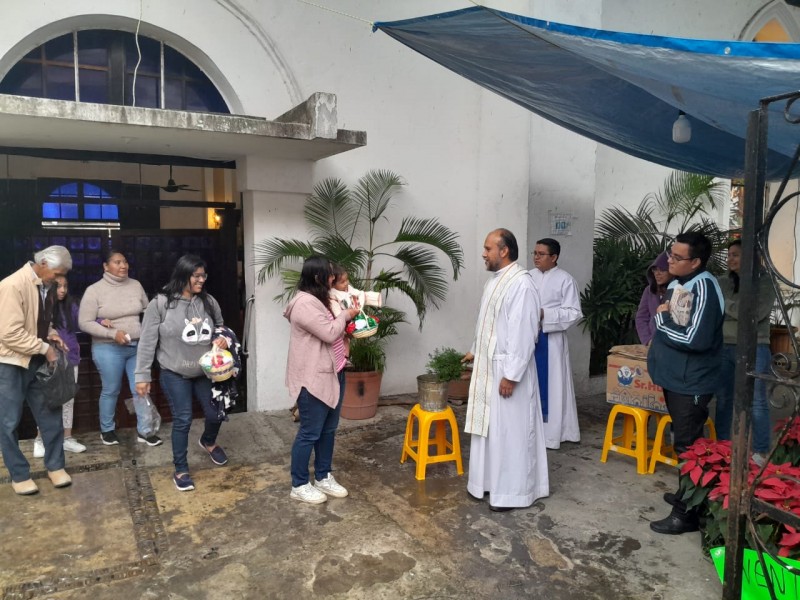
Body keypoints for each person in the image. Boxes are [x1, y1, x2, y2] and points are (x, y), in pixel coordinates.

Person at [463, 229, 549, 512]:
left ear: (504, 251)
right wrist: (475, 349)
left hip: (508, 370)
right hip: (489, 365)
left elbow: (524, 333)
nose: (483, 253)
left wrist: (511, 375)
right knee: (490, 430)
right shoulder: (495, 281)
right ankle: (487, 483)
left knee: (510, 433)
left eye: (488, 248)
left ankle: (513, 492)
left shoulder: (521, 285)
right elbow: (486, 322)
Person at [647, 232, 724, 535]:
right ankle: (686, 494)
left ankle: (686, 514)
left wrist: (662, 322)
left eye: (678, 258)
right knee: (682, 441)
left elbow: (696, 338)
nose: (669, 260)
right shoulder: (681, 283)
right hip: (675, 378)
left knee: (689, 446)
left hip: (691, 381)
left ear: (696, 261)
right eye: (670, 253)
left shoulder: (704, 286)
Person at [135, 255, 229, 492]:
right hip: (173, 371)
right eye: (196, 276)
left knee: (216, 413)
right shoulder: (161, 303)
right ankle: (181, 469)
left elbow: (221, 327)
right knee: (183, 418)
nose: (201, 280)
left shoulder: (208, 302)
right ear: (182, 275)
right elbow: (147, 341)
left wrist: (223, 339)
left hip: (205, 371)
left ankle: (207, 441)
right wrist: (142, 375)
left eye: (203, 276)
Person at [284, 256, 359, 504]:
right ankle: (299, 483)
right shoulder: (304, 304)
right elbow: (328, 333)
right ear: (317, 277)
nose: (334, 278)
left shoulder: (322, 299)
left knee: (328, 430)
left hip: (334, 371)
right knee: (310, 432)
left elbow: (336, 330)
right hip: (313, 377)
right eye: (329, 275)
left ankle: (324, 476)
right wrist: (346, 316)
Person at [0, 245, 73, 495]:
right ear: (42, 263)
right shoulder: (12, 285)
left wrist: (51, 335)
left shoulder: (46, 285)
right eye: (56, 273)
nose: (58, 279)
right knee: (9, 421)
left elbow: (41, 320)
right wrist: (45, 348)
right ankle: (19, 474)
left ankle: (55, 466)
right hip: (10, 362)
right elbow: (9, 333)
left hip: (36, 359)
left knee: (50, 414)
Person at [79, 250, 161, 446]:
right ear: (106, 266)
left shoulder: (135, 285)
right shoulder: (94, 290)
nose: (123, 266)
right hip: (108, 348)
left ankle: (146, 431)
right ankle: (107, 430)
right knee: (111, 389)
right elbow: (84, 322)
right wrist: (110, 333)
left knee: (140, 388)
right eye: (117, 262)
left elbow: (147, 312)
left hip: (137, 346)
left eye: (125, 261)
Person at [715, 240, 774, 466]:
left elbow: (755, 314)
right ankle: (723, 446)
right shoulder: (722, 281)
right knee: (724, 398)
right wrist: (736, 309)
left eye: (736, 255)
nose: (730, 259)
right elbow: (716, 309)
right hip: (725, 345)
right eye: (729, 254)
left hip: (755, 345)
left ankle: (760, 451)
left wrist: (727, 306)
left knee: (757, 400)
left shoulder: (765, 282)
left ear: (751, 257)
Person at [529, 238, 583, 449]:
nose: (536, 257)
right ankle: (530, 430)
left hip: (551, 340)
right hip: (529, 339)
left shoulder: (565, 280)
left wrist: (545, 314)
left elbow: (574, 312)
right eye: (535, 253)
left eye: (541, 254)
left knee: (552, 386)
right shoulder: (528, 277)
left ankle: (553, 434)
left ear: (554, 257)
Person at [33, 274, 86, 457]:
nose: (62, 290)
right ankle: (40, 440)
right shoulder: (41, 307)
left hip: (70, 358)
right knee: (48, 400)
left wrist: (101, 320)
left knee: (68, 399)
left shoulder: (69, 306)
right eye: (58, 286)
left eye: (65, 286)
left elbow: (85, 319)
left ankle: (67, 438)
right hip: (49, 359)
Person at [635, 252, 673, 345]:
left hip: (671, 344)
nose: (657, 274)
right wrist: (647, 340)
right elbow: (641, 317)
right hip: (651, 344)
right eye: (655, 269)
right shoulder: (649, 290)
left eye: (662, 270)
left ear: (672, 271)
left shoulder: (678, 291)